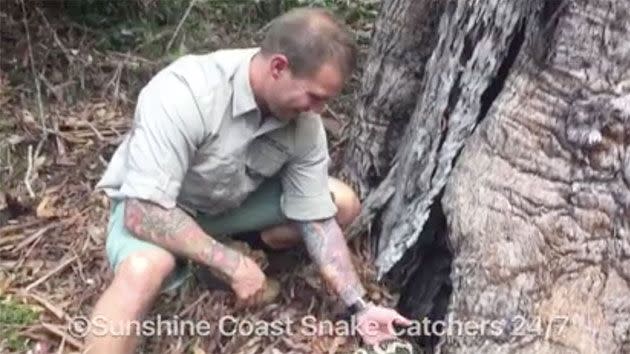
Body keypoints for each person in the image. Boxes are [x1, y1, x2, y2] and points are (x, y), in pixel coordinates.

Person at [86, 7, 411, 354]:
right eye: (314, 96)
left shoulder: (304, 125)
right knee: (142, 270)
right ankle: (216, 261)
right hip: (160, 206)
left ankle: (243, 247)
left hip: (225, 207)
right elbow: (142, 211)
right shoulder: (186, 92)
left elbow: (315, 216)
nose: (318, 111)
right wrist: (232, 263)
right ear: (278, 67)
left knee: (341, 202)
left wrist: (358, 306)